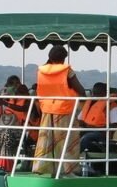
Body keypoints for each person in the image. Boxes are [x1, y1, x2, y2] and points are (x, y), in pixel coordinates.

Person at [33, 45, 87, 177]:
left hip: (47, 109)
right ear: (63, 58)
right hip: (64, 109)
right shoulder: (66, 71)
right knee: (67, 140)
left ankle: (44, 167)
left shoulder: (41, 70)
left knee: (47, 140)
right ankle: (68, 169)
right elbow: (81, 90)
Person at [78, 83, 117, 169]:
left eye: (98, 93)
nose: (95, 95)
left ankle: (79, 164)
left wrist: (94, 128)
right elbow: (79, 119)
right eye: (94, 93)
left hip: (101, 134)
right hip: (85, 130)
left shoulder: (112, 105)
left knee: (86, 138)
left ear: (105, 93)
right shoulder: (89, 104)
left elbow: (113, 126)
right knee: (72, 135)